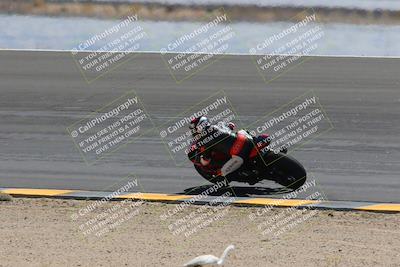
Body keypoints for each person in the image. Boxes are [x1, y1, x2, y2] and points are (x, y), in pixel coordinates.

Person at [187, 116, 253, 178]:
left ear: (200, 127)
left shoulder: (204, 140)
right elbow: (231, 125)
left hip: (239, 153)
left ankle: (246, 174)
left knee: (222, 172)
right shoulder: (219, 124)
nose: (194, 132)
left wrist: (202, 159)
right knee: (241, 131)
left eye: (194, 130)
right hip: (246, 140)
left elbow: (206, 160)